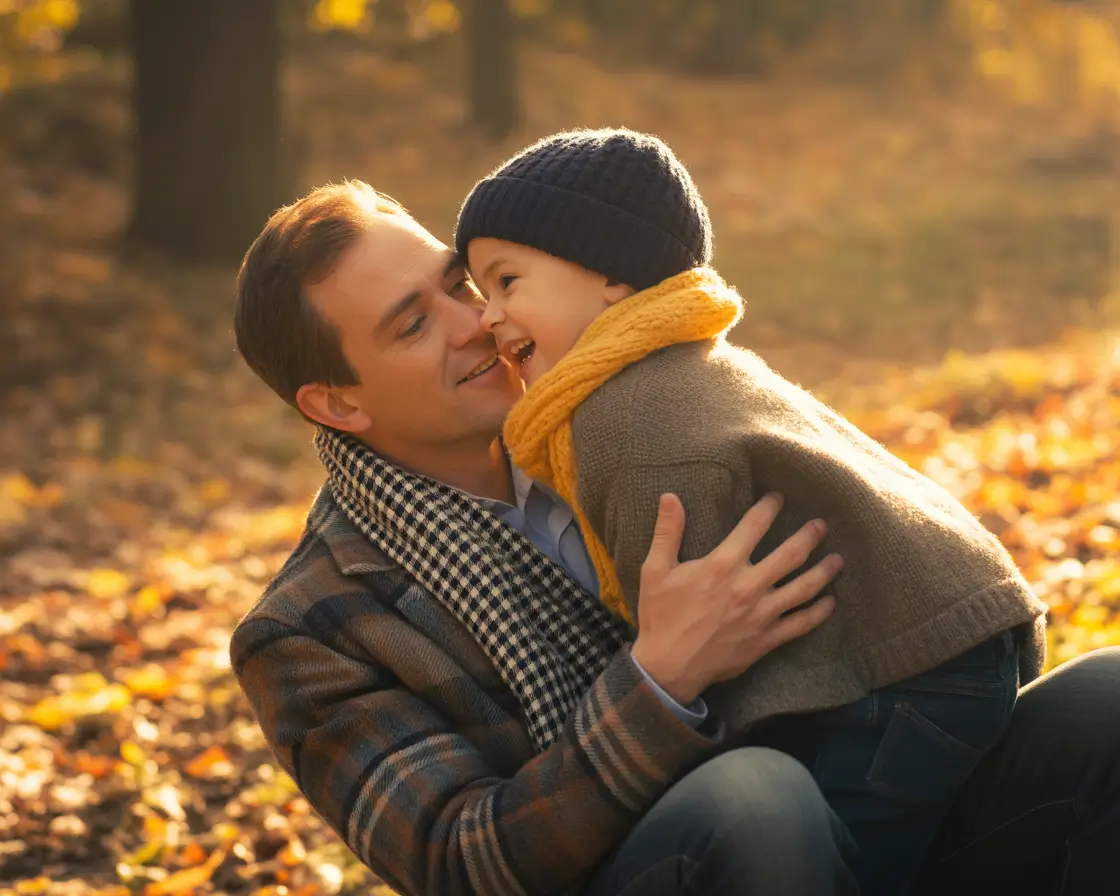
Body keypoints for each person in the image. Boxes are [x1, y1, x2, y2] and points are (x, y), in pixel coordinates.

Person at [230, 178, 1120, 896]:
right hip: (678, 853)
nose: (475, 323)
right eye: (412, 324)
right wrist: (659, 684)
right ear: (337, 403)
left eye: (458, 284)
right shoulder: (308, 630)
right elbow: (462, 861)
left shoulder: (617, 421)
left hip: (851, 783)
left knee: (1105, 702)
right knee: (755, 804)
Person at [455, 127, 1048, 894]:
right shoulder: (687, 363)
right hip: (942, 646)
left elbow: (698, 633)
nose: (488, 319)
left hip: (896, 679)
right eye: (479, 292)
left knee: (838, 865)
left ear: (610, 273)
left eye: (507, 282)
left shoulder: (623, 420)